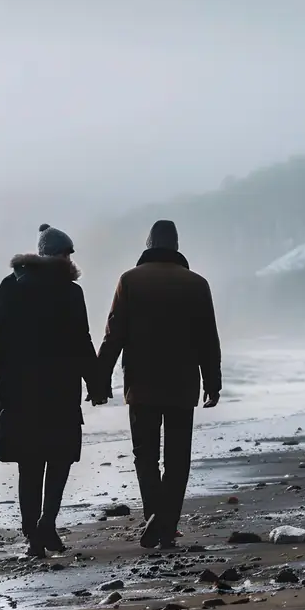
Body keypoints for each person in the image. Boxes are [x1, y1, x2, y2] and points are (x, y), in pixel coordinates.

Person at [0, 224, 100, 558]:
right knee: (57, 461)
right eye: (65, 252)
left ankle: (37, 532)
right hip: (59, 391)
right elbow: (82, 342)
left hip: (21, 392)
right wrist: (96, 382)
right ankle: (44, 525)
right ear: (53, 254)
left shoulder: (13, 286)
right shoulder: (71, 293)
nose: (68, 258)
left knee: (30, 466)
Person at [96, 220, 221, 549]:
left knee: (146, 456)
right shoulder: (196, 284)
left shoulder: (129, 281)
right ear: (176, 246)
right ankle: (166, 525)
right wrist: (213, 382)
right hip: (182, 385)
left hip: (141, 384)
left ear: (149, 245)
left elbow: (114, 335)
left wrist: (99, 379)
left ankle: (155, 516)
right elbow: (208, 338)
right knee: (178, 459)